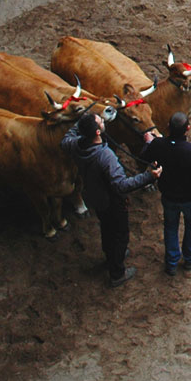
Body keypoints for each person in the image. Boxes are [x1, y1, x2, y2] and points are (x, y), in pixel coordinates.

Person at [63, 110, 161, 287]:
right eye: (100, 121)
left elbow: (66, 138)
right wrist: (149, 176)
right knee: (121, 234)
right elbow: (122, 185)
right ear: (98, 132)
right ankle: (117, 272)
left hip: (95, 196)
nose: (102, 120)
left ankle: (110, 256)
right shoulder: (105, 156)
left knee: (106, 230)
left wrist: (82, 120)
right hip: (113, 201)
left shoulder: (76, 145)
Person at [138, 111, 191, 275]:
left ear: (168, 127)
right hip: (189, 198)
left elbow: (144, 156)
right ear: (188, 129)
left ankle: (171, 262)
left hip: (168, 196)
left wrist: (149, 143)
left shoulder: (158, 145)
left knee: (170, 227)